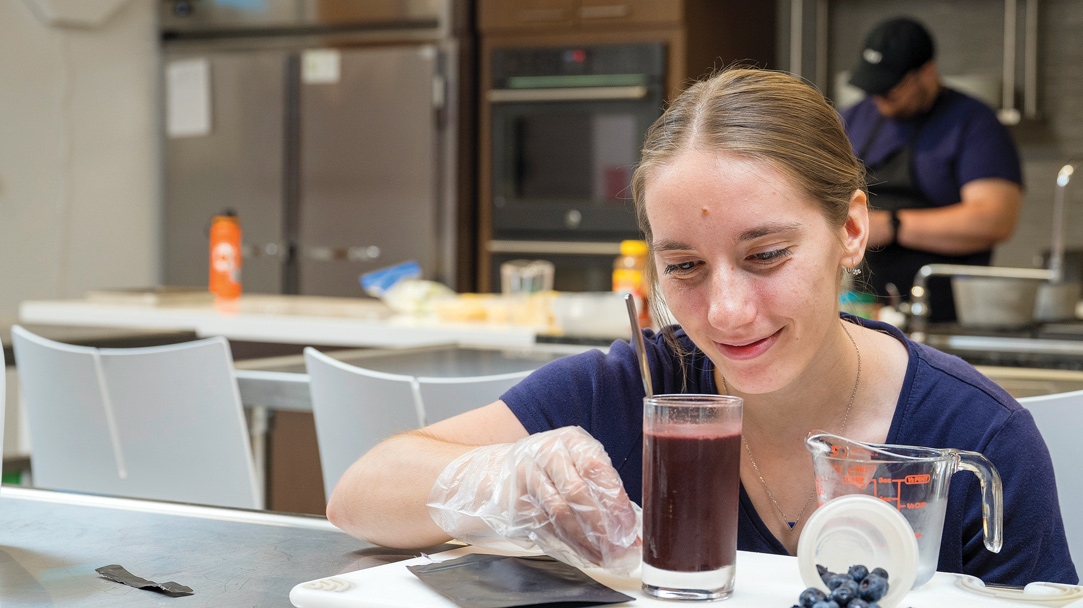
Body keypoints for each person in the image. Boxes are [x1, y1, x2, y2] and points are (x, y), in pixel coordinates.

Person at [327, 68, 1076, 585]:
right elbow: (359, 495)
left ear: (850, 229)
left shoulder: (975, 437)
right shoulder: (636, 389)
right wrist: (503, 478)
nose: (724, 313)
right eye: (683, 266)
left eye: (766, 254)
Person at [841, 17, 1023, 322]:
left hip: (945, 314)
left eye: (890, 90)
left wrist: (893, 226)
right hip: (863, 306)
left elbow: (995, 219)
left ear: (926, 74)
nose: (879, 99)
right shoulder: (853, 119)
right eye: (873, 88)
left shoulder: (973, 123)